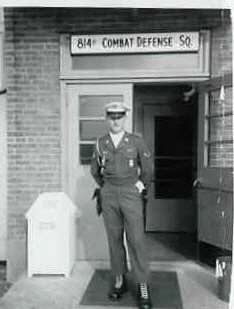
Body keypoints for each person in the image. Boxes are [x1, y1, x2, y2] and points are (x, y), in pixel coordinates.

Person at [90, 101, 153, 309]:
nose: (115, 120)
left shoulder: (136, 141)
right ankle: (120, 280)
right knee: (114, 239)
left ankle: (142, 284)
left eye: (119, 116)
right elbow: (94, 171)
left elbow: (148, 169)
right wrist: (106, 188)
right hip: (109, 194)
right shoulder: (100, 143)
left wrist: (139, 186)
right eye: (111, 117)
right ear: (107, 118)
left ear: (125, 117)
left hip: (130, 193)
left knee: (136, 239)